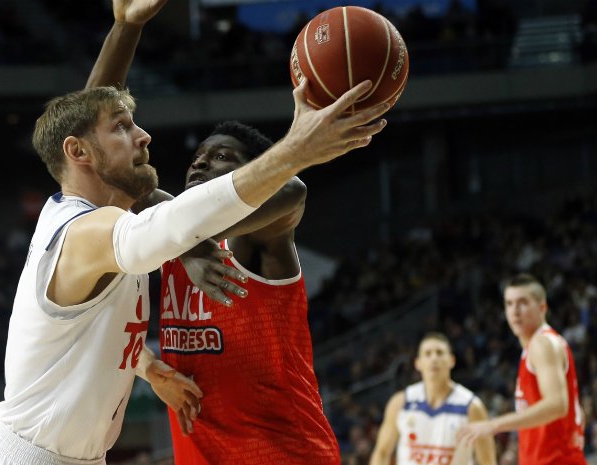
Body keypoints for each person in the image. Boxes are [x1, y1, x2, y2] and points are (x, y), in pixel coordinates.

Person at [0, 0, 391, 463]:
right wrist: (295, 149)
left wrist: (125, 27)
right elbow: (170, 221)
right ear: (81, 152)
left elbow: (189, 210)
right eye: (124, 128)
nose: (145, 136)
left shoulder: (118, 223)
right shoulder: (92, 231)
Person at [90, 3, 340, 463]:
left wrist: (188, 240)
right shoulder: (166, 227)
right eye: (198, 157)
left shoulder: (257, 234)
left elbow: (293, 187)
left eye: (224, 157)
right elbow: (91, 139)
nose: (202, 162)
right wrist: (125, 27)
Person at [458, 273, 587, 465]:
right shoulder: (537, 346)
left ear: (542, 307)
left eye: (522, 303)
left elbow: (557, 405)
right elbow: (576, 411)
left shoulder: (541, 344)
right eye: (509, 304)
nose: (514, 311)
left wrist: (494, 425)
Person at [369, 332, 497, 465]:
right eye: (428, 354)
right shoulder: (401, 402)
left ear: (451, 360)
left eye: (440, 353)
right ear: (418, 363)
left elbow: (487, 461)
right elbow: (382, 453)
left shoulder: (471, 406)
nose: (434, 358)